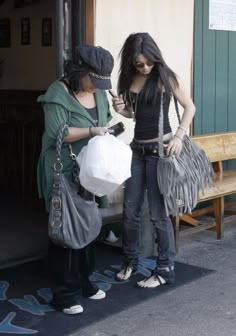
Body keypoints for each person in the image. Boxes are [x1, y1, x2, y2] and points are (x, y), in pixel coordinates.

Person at [111, 33, 195, 288]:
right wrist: (120, 109)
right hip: (137, 151)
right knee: (130, 212)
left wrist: (180, 136)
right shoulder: (130, 78)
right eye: (139, 64)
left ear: (155, 58)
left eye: (149, 63)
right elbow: (135, 113)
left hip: (161, 152)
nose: (145, 68)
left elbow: (190, 107)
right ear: (132, 63)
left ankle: (165, 269)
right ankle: (130, 261)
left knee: (158, 215)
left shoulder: (166, 76)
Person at [37, 45, 114, 314]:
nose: (97, 87)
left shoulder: (100, 93)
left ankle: (84, 280)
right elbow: (57, 131)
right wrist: (93, 129)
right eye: (94, 81)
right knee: (65, 230)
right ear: (80, 72)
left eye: (102, 82)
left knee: (88, 226)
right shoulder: (58, 92)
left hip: (90, 170)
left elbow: (106, 120)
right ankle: (63, 293)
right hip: (64, 169)